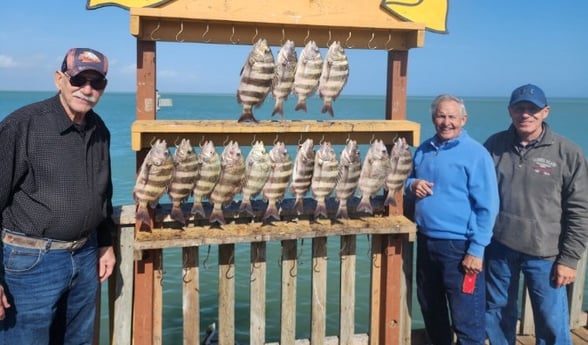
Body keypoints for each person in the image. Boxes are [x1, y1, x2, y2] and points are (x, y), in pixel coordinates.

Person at [0, 48, 116, 344]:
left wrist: (105, 244)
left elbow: (104, 192)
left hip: (85, 256)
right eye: (78, 79)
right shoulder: (22, 125)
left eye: (96, 83)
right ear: (59, 79)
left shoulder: (100, 129)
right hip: (30, 264)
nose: (87, 89)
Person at [484, 84, 588, 345]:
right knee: (497, 314)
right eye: (520, 108)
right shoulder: (494, 145)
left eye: (533, 109)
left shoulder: (567, 152)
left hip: (546, 253)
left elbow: (580, 208)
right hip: (499, 248)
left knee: (551, 320)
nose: (526, 114)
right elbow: (476, 190)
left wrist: (569, 258)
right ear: (510, 111)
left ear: (546, 112)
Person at [405, 94, 499, 345]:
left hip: (460, 249)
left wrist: (477, 250)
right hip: (426, 242)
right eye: (441, 116)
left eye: (452, 117)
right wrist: (411, 184)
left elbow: (488, 206)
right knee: (431, 310)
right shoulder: (423, 149)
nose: (446, 122)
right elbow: (404, 181)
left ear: (463, 120)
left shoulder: (476, 154)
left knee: (467, 318)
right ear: (433, 118)